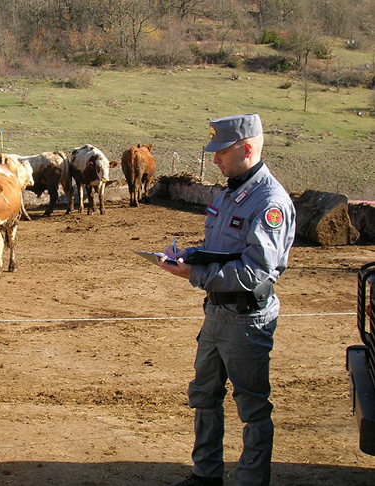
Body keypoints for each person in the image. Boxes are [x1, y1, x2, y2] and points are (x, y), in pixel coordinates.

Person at [157, 114, 296, 486]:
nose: (214, 160)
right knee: (204, 396)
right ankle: (205, 475)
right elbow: (220, 249)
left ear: (247, 148)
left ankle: (250, 481)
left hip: (247, 320)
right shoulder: (232, 192)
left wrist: (194, 274)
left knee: (251, 407)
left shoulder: (270, 203)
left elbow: (255, 271)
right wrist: (191, 255)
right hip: (216, 313)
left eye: (221, 152)